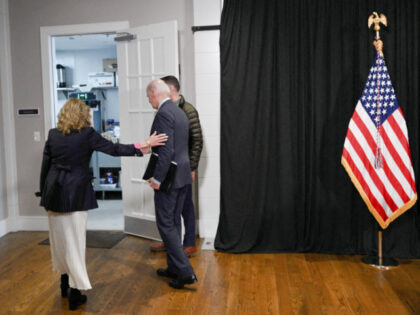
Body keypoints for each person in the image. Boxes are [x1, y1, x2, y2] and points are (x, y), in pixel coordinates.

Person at [37, 98, 167, 310]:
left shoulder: (53, 134)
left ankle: (64, 284)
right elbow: (114, 149)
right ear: (84, 115)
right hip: (76, 194)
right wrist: (144, 145)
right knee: (75, 243)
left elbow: (45, 166)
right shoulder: (87, 134)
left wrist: (43, 193)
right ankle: (75, 292)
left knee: (59, 242)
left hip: (53, 194)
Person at [145, 79, 197, 289]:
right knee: (174, 222)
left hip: (170, 178)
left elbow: (166, 151)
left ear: (155, 93)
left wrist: (157, 179)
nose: (149, 102)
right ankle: (174, 268)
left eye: (149, 97)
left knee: (165, 224)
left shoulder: (164, 114)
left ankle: (185, 272)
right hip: (182, 175)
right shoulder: (179, 111)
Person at [149, 75, 203, 257]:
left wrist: (192, 167)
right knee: (172, 212)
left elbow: (197, 141)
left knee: (185, 205)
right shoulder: (170, 109)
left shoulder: (187, 110)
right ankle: (172, 243)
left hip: (181, 168)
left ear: (171, 89)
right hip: (173, 168)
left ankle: (188, 244)